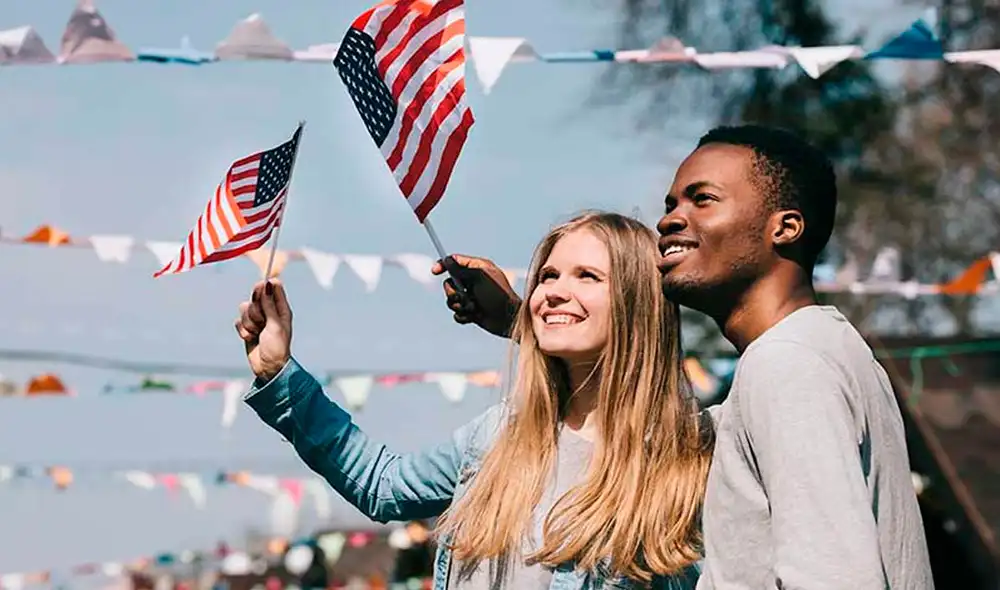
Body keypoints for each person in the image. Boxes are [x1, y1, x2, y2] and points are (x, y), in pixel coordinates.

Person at [433, 125, 934, 589]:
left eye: (703, 200)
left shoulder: (786, 366)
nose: (671, 219)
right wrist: (526, 324)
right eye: (673, 202)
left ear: (784, 228)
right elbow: (655, 420)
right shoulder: (828, 351)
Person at [235, 212, 713, 590]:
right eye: (547, 276)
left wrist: (515, 320)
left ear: (639, 302)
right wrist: (280, 375)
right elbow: (383, 485)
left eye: (587, 276)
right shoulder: (500, 433)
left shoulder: (688, 456)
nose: (552, 292)